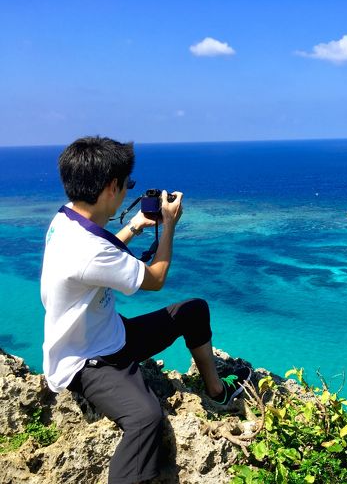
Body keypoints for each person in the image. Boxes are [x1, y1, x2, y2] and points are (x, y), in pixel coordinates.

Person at [41, 136, 251, 483]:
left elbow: (100, 255)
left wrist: (136, 225)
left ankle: (216, 392)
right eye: (128, 185)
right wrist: (169, 226)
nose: (128, 191)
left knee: (193, 311)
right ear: (112, 186)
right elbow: (155, 278)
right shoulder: (88, 250)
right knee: (146, 419)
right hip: (87, 360)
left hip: (110, 334)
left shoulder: (66, 220)